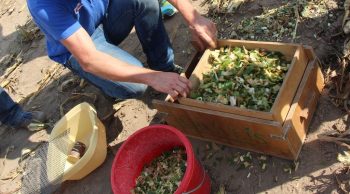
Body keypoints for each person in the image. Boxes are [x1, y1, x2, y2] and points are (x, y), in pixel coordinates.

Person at [27, 0, 217, 100]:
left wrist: (194, 18)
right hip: (83, 48)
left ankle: (165, 67)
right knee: (137, 86)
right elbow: (89, 59)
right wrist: (151, 77)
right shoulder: (44, 4)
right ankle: (112, 87)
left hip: (106, 16)